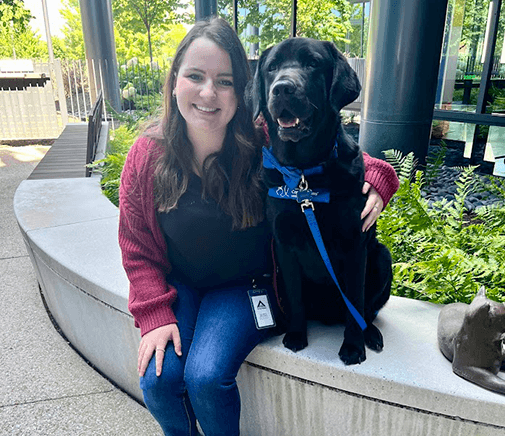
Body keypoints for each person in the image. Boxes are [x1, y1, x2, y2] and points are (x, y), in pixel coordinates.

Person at [118, 17, 399, 436]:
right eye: (195, 76)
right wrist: (155, 313)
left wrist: (379, 176)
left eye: (225, 81)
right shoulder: (146, 155)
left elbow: (335, 154)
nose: (208, 93)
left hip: (248, 286)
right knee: (159, 382)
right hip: (185, 285)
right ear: (175, 81)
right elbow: (137, 247)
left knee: (206, 378)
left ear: (243, 93)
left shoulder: (261, 137)